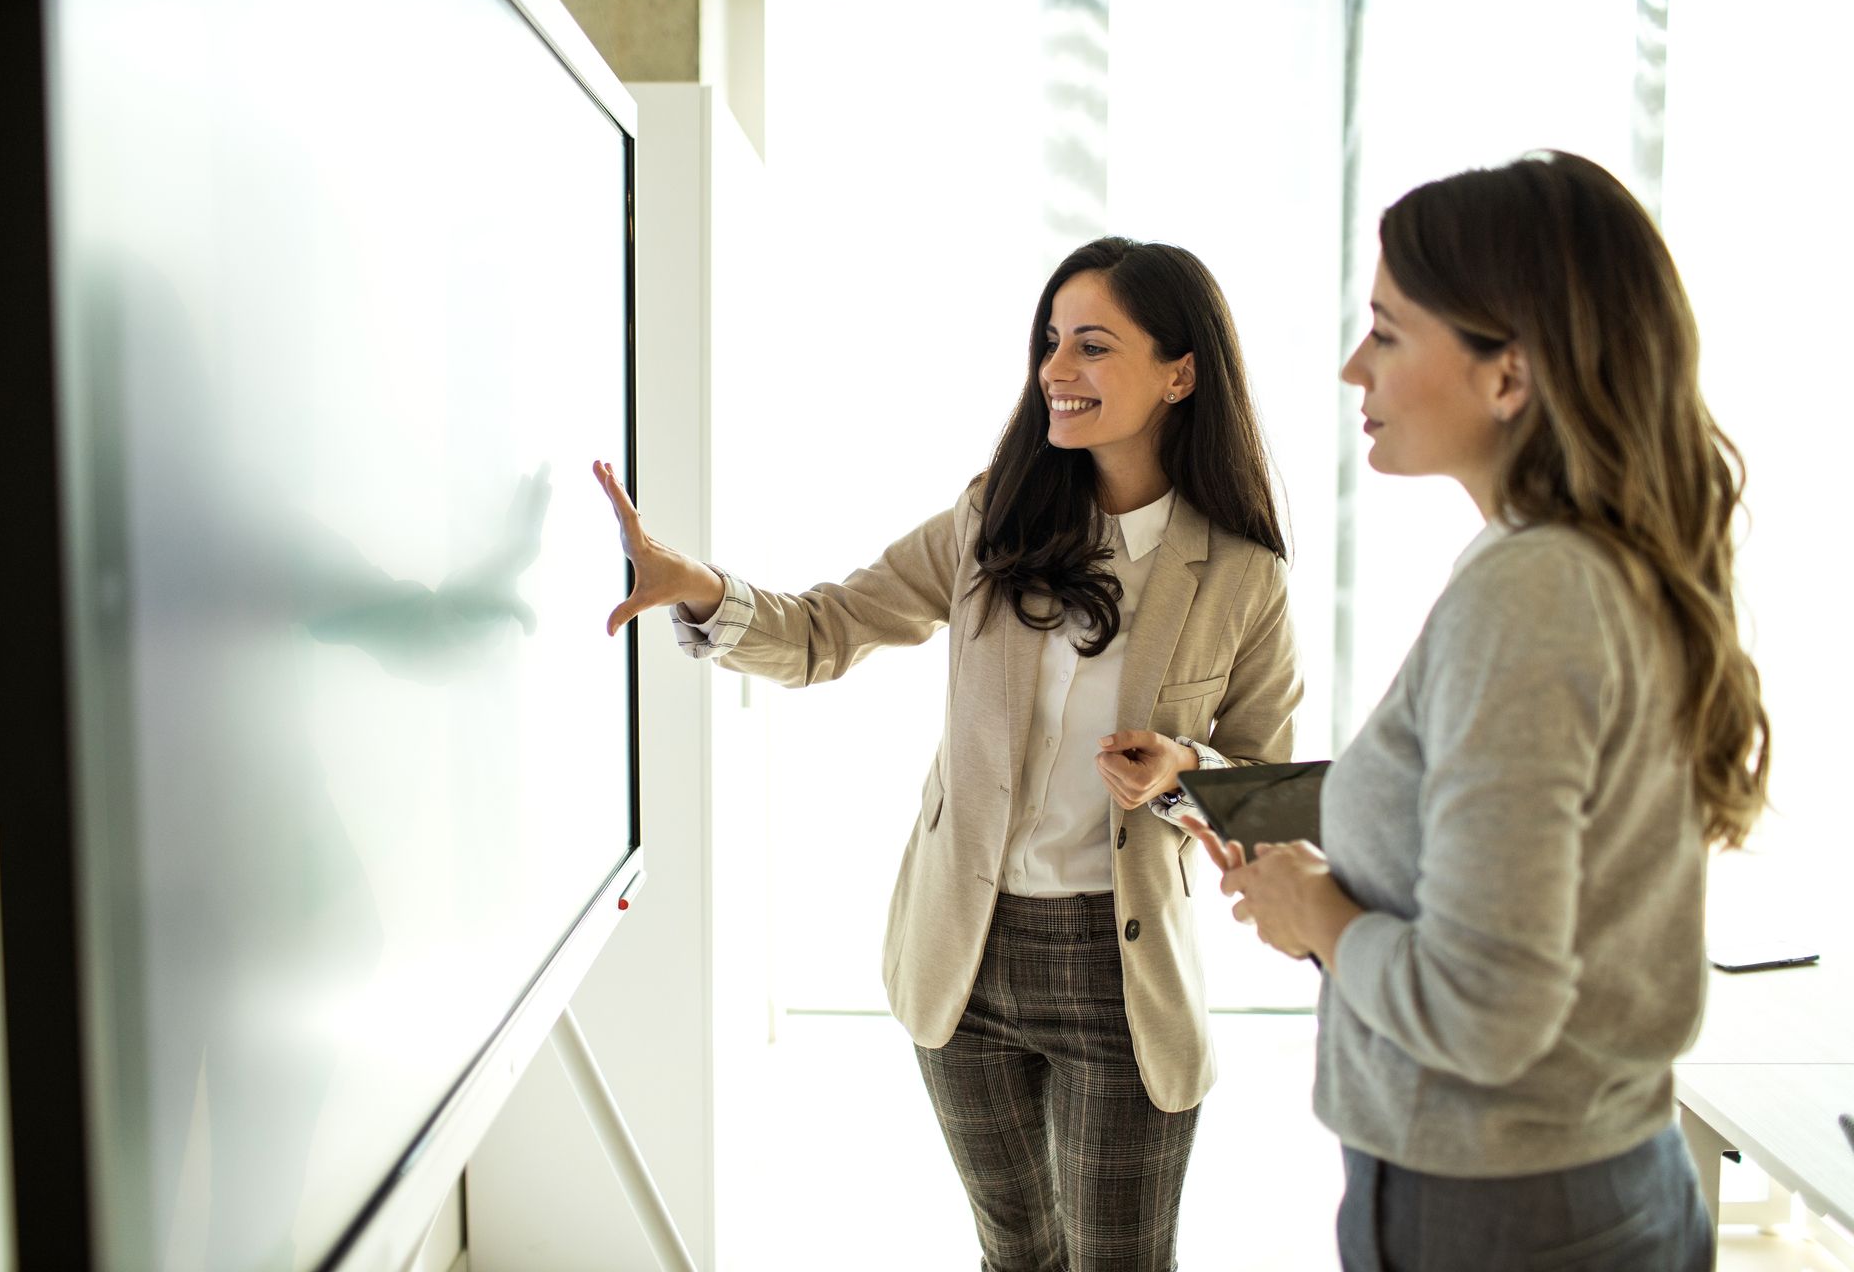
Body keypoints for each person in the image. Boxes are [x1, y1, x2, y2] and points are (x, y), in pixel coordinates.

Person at [595, 236, 1301, 1270]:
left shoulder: (1242, 575)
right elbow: (829, 625)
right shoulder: (992, 520)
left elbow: (1265, 792)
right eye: (1051, 342)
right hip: (965, 957)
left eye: (1093, 345)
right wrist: (701, 588)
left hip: (1124, 971)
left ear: (1180, 371)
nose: (1058, 369)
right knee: (1016, 1253)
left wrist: (1182, 768)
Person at [1185, 151, 1769, 1271]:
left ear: (1512, 376)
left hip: (1502, 1214)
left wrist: (1321, 916)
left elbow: (1489, 1007)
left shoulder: (1533, 591)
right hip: (1574, 1185)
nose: (1355, 366)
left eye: (1389, 332)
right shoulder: (1583, 569)